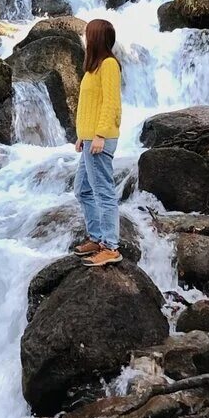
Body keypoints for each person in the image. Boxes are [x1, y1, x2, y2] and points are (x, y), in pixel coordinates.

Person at [72, 18, 122, 266]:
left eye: (87, 34)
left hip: (101, 140)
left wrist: (101, 134)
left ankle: (111, 247)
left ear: (96, 39)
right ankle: (97, 237)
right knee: (82, 190)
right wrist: (82, 134)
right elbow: (90, 105)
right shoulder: (94, 68)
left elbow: (111, 103)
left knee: (103, 192)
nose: (84, 38)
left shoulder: (110, 65)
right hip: (90, 139)